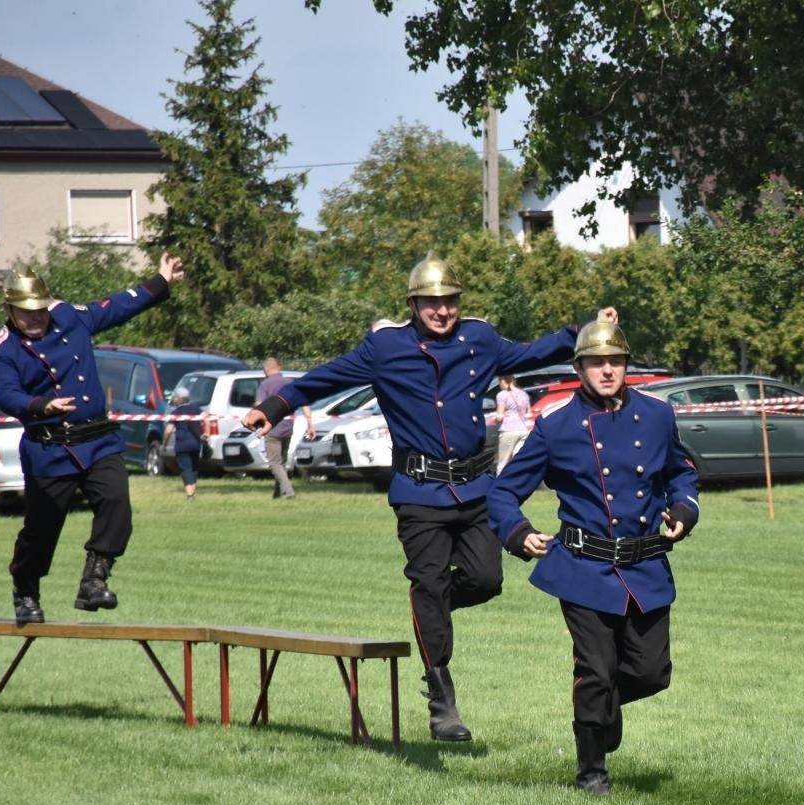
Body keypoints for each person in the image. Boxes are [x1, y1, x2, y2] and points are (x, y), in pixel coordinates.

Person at [243, 250, 618, 743]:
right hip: (418, 493)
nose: (442, 311)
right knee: (428, 584)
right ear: (413, 303)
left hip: (474, 488)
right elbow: (327, 377)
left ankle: (433, 604)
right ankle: (441, 697)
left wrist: (584, 331)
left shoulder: (480, 339)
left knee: (486, 580)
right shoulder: (386, 347)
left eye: (450, 302)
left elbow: (529, 353)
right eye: (431, 303)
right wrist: (274, 406)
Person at [488, 321, 700, 794]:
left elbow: (682, 473)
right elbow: (502, 494)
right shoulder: (556, 425)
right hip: (583, 569)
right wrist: (518, 532)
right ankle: (591, 772)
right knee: (595, 670)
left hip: (645, 565)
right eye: (596, 362)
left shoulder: (658, 415)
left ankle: (605, 708)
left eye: (615, 361)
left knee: (652, 673)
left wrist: (685, 509)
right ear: (578, 367)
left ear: (626, 364)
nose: (607, 370)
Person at [0, 254, 185, 624]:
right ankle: (25, 590)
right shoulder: (2, 349)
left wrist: (160, 281)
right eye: (26, 312)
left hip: (97, 439)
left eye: (40, 310)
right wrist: (42, 405)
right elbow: (7, 396)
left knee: (116, 504)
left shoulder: (68, 315)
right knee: (41, 531)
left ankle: (94, 578)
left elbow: (116, 307)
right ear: (10, 309)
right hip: (50, 447)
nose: (36, 318)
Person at [253, 357, 311, 499]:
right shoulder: (290, 382)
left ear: (266, 369)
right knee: (282, 463)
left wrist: (256, 422)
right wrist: (311, 424)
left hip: (272, 428)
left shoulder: (265, 384)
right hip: (287, 427)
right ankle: (277, 493)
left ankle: (289, 492)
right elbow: (304, 402)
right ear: (279, 367)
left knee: (274, 463)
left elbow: (259, 404)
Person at [169, 386, 204, 500]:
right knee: (194, 468)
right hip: (195, 443)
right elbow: (207, 419)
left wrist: (164, 444)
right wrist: (206, 433)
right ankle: (193, 493)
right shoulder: (196, 409)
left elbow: (168, 430)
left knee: (186, 469)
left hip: (182, 445)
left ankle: (190, 495)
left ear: (178, 399)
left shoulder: (175, 412)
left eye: (174, 397)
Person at [493, 372, 532, 472]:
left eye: (499, 381)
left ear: (503, 380)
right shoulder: (524, 394)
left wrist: (495, 419)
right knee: (519, 460)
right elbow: (529, 414)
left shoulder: (502, 395)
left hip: (508, 430)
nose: (499, 384)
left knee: (503, 462)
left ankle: (499, 483)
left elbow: (500, 417)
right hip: (523, 430)